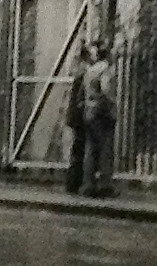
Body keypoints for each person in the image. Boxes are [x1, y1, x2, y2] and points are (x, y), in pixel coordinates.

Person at [79, 37, 117, 197]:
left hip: (89, 110)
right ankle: (105, 184)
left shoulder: (90, 70)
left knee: (90, 149)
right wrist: (113, 106)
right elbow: (106, 89)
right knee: (105, 148)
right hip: (102, 112)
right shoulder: (105, 69)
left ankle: (87, 184)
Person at [62, 41, 90, 195]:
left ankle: (73, 182)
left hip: (75, 116)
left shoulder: (78, 71)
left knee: (77, 150)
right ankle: (73, 183)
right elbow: (79, 99)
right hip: (79, 117)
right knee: (79, 150)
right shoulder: (83, 73)